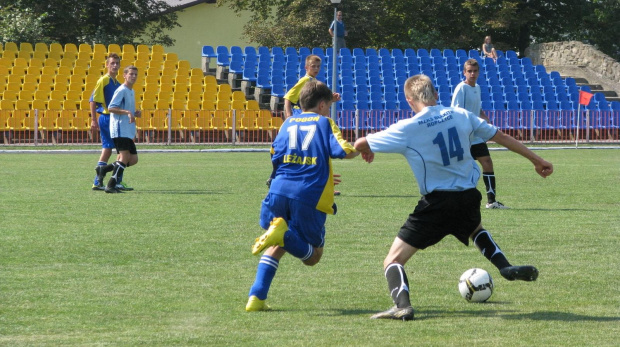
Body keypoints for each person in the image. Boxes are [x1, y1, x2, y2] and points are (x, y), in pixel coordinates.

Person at [354, 74, 553, 321]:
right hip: (468, 197)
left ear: (409, 99)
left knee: (393, 260)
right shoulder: (461, 115)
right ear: (436, 94)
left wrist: (365, 149)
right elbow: (501, 137)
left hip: (437, 203)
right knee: (475, 228)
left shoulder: (408, 128)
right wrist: (538, 160)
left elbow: (361, 142)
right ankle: (504, 266)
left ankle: (402, 306)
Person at [246, 80, 359, 312]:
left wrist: (324, 174)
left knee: (276, 242)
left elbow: (275, 155)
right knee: (312, 257)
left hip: (278, 190)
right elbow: (344, 151)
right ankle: (284, 235)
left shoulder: (287, 123)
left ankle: (256, 298)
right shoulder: (325, 122)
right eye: (328, 106)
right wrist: (366, 146)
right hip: (307, 195)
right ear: (320, 105)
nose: (328, 110)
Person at [280, 54, 343, 194]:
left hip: (306, 119)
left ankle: (319, 185)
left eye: (318, 66)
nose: (316, 68)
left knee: (308, 154)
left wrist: (330, 100)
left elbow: (315, 104)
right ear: (306, 67)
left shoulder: (313, 81)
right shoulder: (305, 80)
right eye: (313, 66)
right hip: (302, 119)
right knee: (314, 152)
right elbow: (288, 97)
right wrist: (289, 116)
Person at [452, 58, 507, 209]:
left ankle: (492, 201)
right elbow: (457, 112)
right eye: (469, 71)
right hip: (463, 136)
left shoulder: (477, 87)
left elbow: (477, 108)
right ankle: (454, 201)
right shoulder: (461, 88)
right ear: (464, 72)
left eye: (475, 71)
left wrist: (485, 118)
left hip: (475, 136)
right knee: (462, 169)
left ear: (479, 72)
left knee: (487, 162)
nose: (472, 74)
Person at [95, 65, 141, 194]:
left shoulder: (131, 91)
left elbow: (125, 109)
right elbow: (111, 108)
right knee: (124, 157)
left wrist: (134, 113)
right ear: (124, 75)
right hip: (120, 128)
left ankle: (103, 170)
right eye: (131, 74)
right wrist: (127, 111)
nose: (133, 76)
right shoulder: (121, 90)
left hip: (128, 129)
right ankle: (111, 185)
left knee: (133, 160)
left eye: (135, 74)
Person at [90, 53, 132, 191]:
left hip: (114, 119)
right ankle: (114, 181)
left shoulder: (117, 83)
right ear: (107, 65)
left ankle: (100, 181)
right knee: (121, 151)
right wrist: (93, 120)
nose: (115, 65)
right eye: (112, 63)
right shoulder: (104, 80)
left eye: (117, 63)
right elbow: (93, 100)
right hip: (107, 118)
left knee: (110, 150)